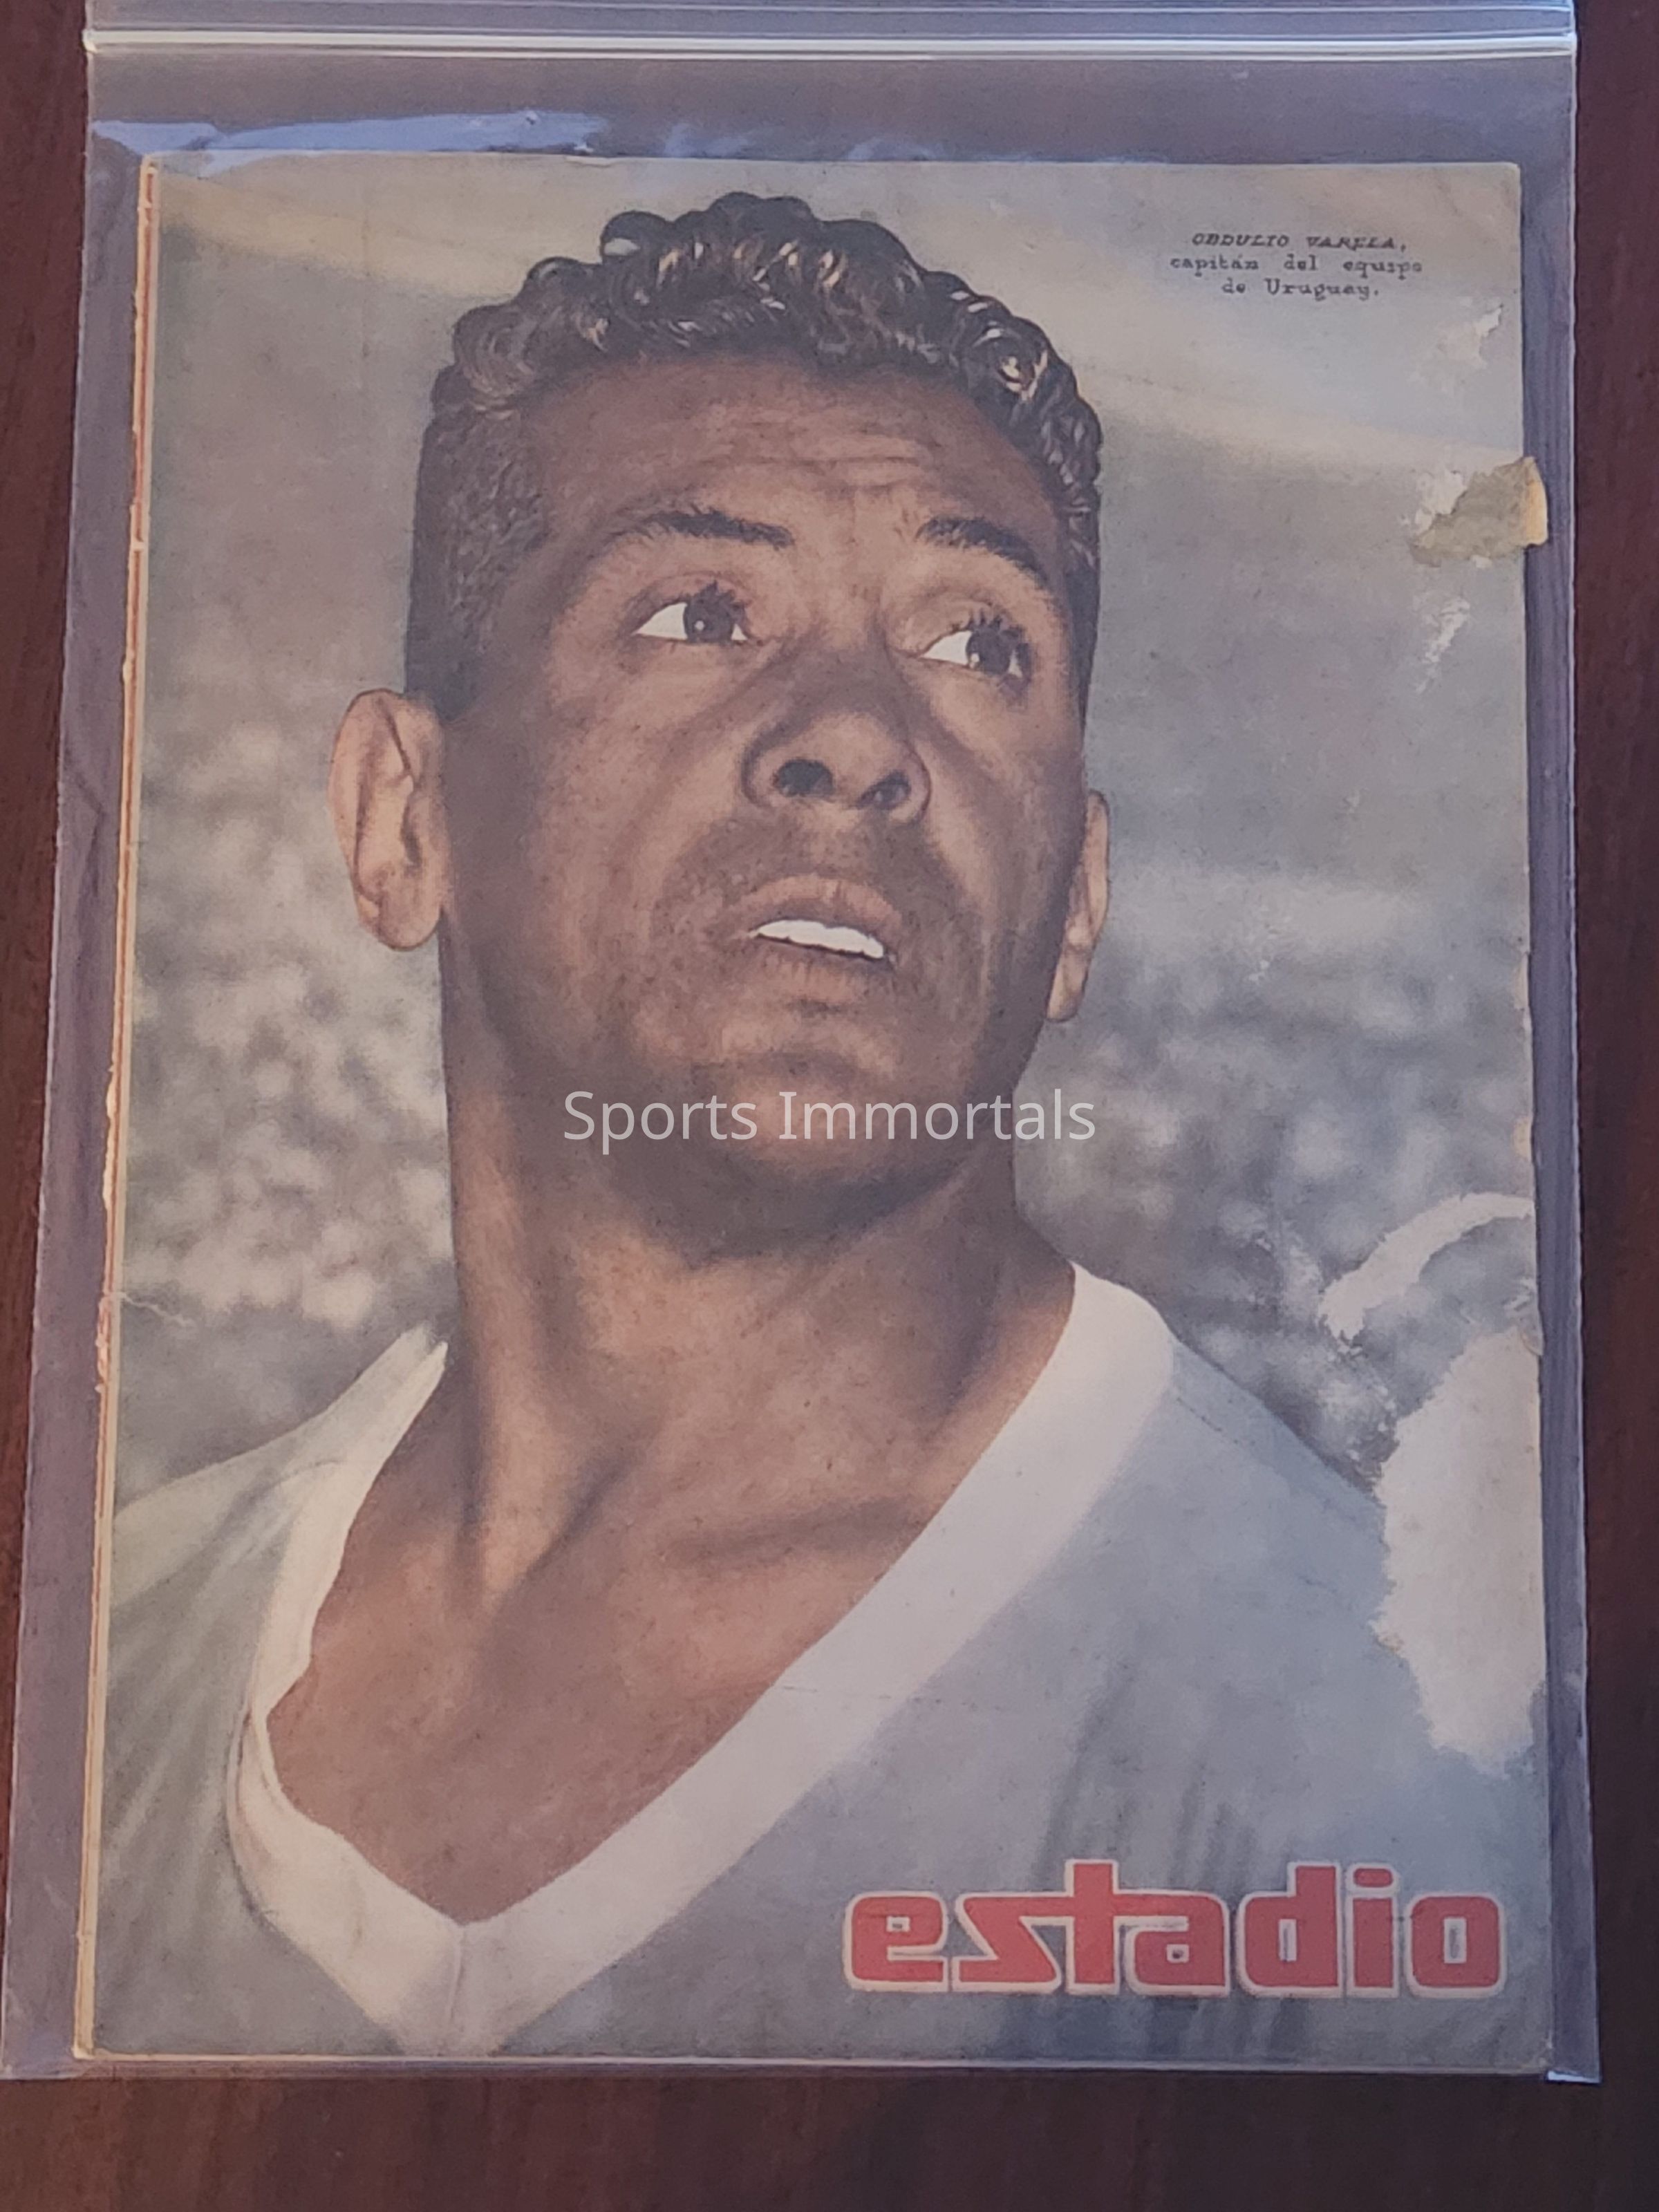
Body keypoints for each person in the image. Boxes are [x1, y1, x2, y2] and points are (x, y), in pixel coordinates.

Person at [95, 192, 1547, 2066]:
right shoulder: (114, 1641)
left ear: (1078, 900)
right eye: (699, 612)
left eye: (979, 644)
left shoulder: (1386, 1765)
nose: (859, 732)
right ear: (402, 818)